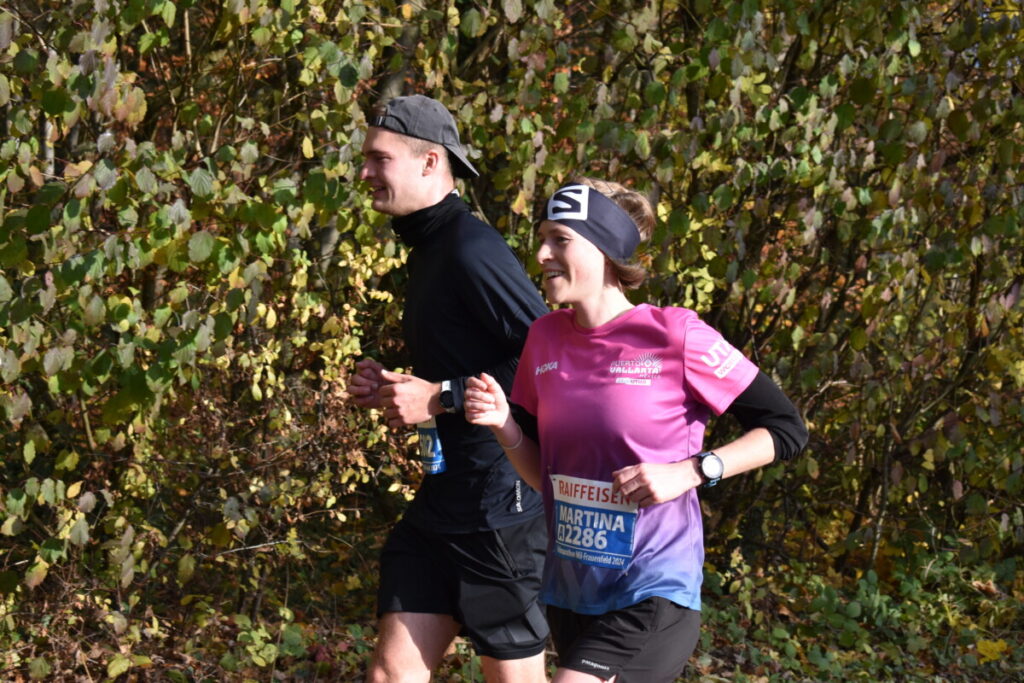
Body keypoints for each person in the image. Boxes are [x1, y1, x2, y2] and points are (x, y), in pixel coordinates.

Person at [464, 178, 808, 682]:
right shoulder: (544, 338)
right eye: (541, 239)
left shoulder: (675, 334)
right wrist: (505, 427)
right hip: (573, 592)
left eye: (560, 239)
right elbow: (545, 478)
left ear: (604, 250)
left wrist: (692, 471)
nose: (541, 254)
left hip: (653, 588)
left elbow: (786, 428)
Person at [345, 94, 551, 683]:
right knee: (391, 674)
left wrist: (441, 397)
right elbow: (469, 356)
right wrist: (391, 386)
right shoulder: (429, 247)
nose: (364, 173)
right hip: (443, 499)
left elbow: (548, 358)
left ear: (430, 161)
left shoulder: (470, 247)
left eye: (379, 159)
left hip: (498, 510)